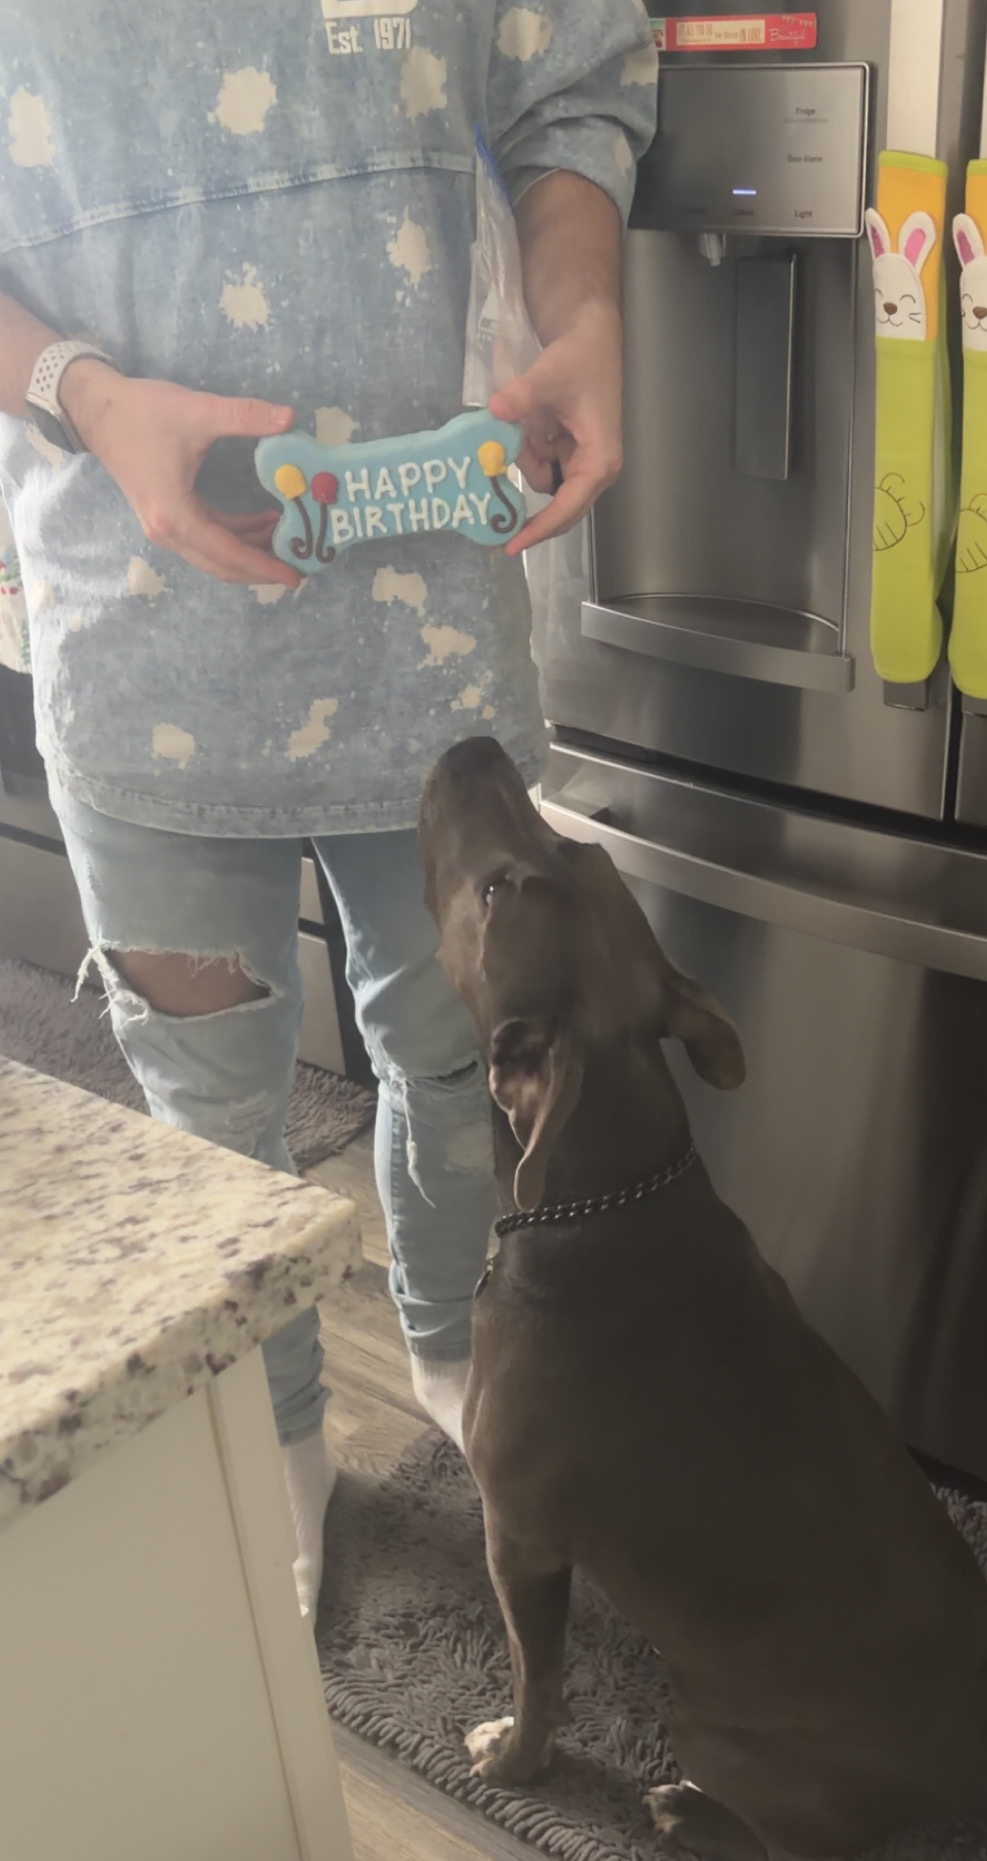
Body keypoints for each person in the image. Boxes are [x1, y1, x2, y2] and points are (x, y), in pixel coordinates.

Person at [0, 2, 657, 1616]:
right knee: (203, 1108)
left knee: (458, 1056)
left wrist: (583, 311)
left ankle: (445, 1346)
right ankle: (273, 1436)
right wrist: (80, 390)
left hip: (434, 610)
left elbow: (575, 84)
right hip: (138, 628)